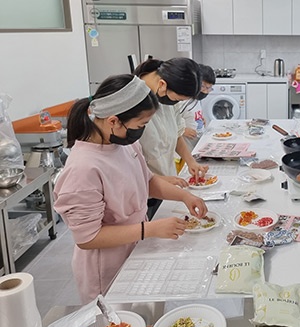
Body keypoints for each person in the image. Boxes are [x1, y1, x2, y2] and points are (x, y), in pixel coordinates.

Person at [54, 74, 208, 303]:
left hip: (135, 247)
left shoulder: (122, 143)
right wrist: (150, 229)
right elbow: (87, 238)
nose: (141, 131)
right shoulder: (83, 169)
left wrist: (184, 196)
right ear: (113, 121)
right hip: (107, 267)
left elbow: (146, 180)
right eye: (141, 125)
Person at [134, 57, 208, 218]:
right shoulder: (133, 103)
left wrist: (190, 161)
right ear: (162, 85)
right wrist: (159, 180)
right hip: (142, 192)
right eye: (177, 99)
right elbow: (126, 162)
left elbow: (176, 134)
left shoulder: (165, 99)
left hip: (167, 186)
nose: (175, 103)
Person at [179, 63, 216, 151]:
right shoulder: (183, 100)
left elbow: (191, 113)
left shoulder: (196, 98)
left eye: (209, 88)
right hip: (184, 148)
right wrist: (182, 130)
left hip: (196, 144)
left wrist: (199, 118)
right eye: (203, 86)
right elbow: (169, 119)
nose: (205, 91)